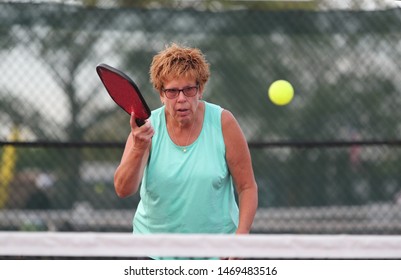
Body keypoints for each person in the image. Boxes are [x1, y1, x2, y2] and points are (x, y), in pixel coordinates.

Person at [114, 43, 258, 258]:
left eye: (189, 89)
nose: (181, 99)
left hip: (216, 254)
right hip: (153, 254)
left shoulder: (223, 122)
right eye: (172, 91)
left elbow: (247, 187)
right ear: (161, 94)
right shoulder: (147, 127)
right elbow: (123, 189)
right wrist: (138, 147)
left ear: (200, 90)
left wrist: (241, 236)